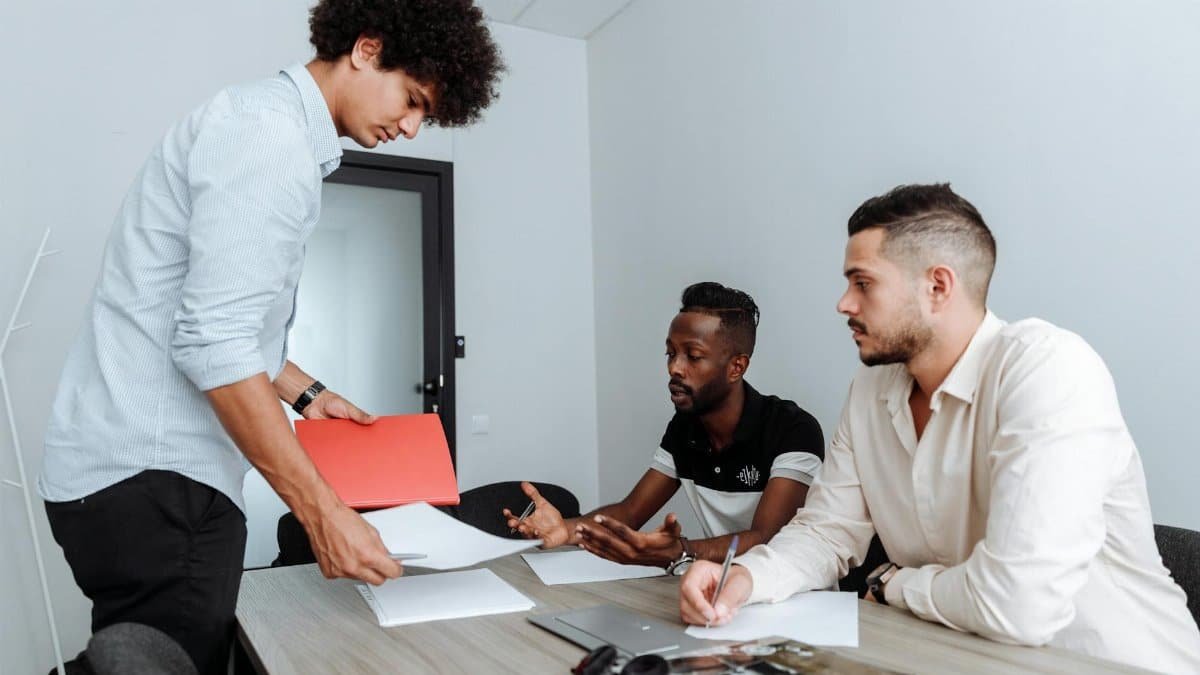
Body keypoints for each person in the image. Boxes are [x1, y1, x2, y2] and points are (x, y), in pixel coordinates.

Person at [38, 2, 503, 673]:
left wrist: (307, 393)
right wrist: (322, 513)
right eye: (412, 100)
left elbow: (202, 313)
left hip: (127, 474)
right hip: (158, 477)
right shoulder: (271, 138)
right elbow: (215, 343)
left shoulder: (261, 125)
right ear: (367, 49)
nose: (411, 127)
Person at [679, 184, 1200, 673]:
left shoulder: (1048, 371)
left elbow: (1018, 605)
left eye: (863, 283)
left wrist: (897, 585)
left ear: (937, 286)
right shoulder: (870, 390)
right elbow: (825, 532)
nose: (844, 303)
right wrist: (743, 579)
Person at [505, 282, 824, 574]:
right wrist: (567, 529)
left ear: (736, 367)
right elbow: (630, 511)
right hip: (721, 590)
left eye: (693, 356)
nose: (675, 368)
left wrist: (681, 551)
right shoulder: (686, 428)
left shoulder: (792, 429)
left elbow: (767, 538)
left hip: (798, 596)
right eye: (671, 353)